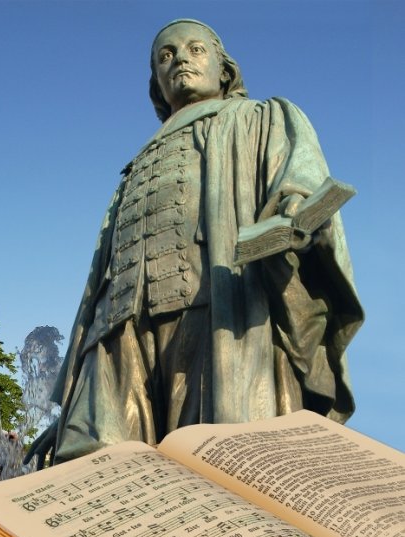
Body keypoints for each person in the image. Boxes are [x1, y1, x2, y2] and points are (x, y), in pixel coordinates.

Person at [28, 19, 363, 468]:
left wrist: (295, 214)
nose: (180, 59)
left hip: (215, 305)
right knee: (91, 459)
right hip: (120, 324)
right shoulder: (137, 160)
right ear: (157, 84)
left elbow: (298, 182)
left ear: (224, 69)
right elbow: (97, 275)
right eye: (165, 56)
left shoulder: (259, 118)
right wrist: (69, 401)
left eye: (194, 50)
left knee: (209, 464)